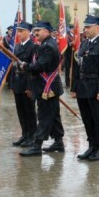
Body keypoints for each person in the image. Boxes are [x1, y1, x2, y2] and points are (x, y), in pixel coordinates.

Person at [18, 21, 65, 157]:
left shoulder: (48, 46)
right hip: (47, 87)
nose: (35, 33)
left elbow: (38, 66)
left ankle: (37, 145)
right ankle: (58, 142)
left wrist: (25, 66)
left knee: (44, 116)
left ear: (46, 31)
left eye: (38, 30)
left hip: (47, 88)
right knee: (54, 116)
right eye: (35, 30)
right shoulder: (45, 44)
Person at [70, 15, 99, 161]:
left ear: (98, 28)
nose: (85, 29)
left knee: (97, 118)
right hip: (82, 87)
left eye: (88, 27)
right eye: (85, 27)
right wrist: (74, 87)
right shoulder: (83, 44)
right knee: (87, 119)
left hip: (95, 88)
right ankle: (91, 146)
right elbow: (77, 66)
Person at [10, 21, 37, 148]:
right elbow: (13, 66)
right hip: (18, 81)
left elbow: (33, 69)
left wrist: (31, 87)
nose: (19, 34)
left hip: (27, 82)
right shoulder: (16, 47)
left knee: (29, 111)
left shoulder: (33, 47)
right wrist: (12, 84)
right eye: (18, 31)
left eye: (21, 31)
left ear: (28, 32)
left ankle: (32, 136)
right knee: (20, 111)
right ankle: (24, 134)